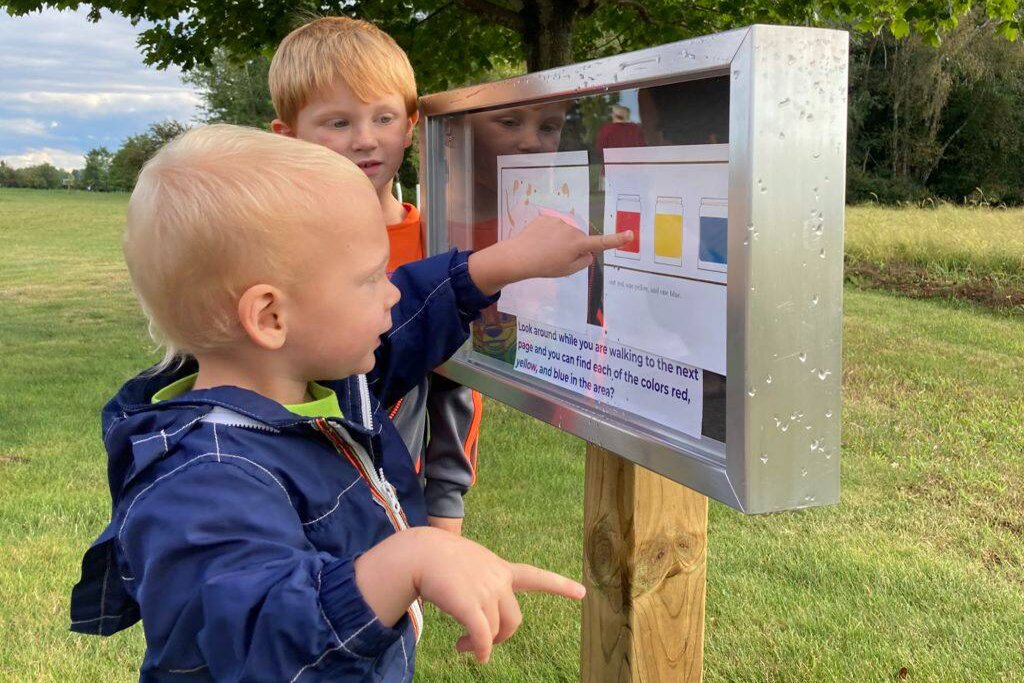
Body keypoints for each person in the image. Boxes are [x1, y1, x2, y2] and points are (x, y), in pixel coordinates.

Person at [69, 125, 631, 681]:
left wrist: (510, 260)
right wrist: (408, 561)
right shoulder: (203, 479)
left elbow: (411, 315)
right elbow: (260, 642)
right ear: (270, 317)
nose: (389, 291)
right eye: (368, 280)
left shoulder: (316, 382)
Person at [269, 16, 480, 534]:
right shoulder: (269, 243)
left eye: (383, 118)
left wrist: (446, 500)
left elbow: (459, 382)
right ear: (288, 135)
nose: (365, 140)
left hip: (393, 499)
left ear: (412, 124)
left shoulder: (439, 246)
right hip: (286, 494)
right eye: (338, 123)